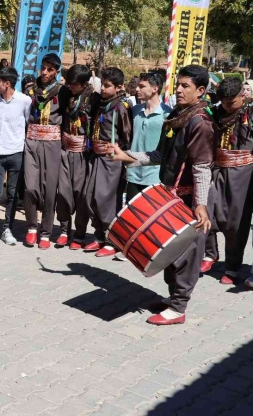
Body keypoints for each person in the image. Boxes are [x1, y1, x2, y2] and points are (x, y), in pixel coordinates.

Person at [108, 65, 214, 325]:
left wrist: (200, 204)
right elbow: (159, 156)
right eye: (177, 84)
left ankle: (178, 307)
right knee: (169, 251)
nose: (178, 89)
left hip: (189, 198)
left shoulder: (200, 122)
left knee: (186, 253)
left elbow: (202, 167)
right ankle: (171, 299)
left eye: (185, 86)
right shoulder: (179, 115)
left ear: (200, 91)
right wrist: (127, 156)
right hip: (171, 193)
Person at [203, 78, 253, 285]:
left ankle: (232, 267)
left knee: (237, 221)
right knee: (205, 210)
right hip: (216, 168)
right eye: (223, 102)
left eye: (231, 102)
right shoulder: (214, 112)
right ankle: (210, 254)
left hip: (243, 173)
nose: (227, 106)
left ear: (242, 96)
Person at [85, 68, 133, 257]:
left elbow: (127, 136)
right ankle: (98, 235)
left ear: (119, 87)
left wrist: (122, 156)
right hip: (95, 157)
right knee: (91, 197)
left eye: (107, 86)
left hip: (111, 160)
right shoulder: (101, 103)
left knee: (107, 199)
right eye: (102, 84)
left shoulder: (121, 107)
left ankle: (112, 240)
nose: (103, 89)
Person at [0, 67, 30, 246]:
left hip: (16, 152)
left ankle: (7, 229)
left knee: (11, 194)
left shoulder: (24, 101)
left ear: (7, 83)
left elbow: (27, 123)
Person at [23, 53, 64, 249]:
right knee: (30, 186)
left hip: (53, 143)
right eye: (44, 68)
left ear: (57, 72)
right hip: (31, 141)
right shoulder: (30, 89)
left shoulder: (62, 91)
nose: (45, 72)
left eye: (50, 69)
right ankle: (32, 226)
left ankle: (46, 231)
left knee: (49, 189)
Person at [55, 65, 96, 249]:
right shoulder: (65, 94)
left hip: (83, 154)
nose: (70, 87)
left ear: (85, 84)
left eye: (74, 84)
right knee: (63, 192)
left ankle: (79, 234)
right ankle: (64, 230)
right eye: (69, 83)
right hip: (65, 149)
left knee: (81, 195)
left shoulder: (93, 99)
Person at [126, 73, 171, 202]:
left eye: (142, 86)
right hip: (133, 174)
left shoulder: (167, 115)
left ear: (155, 88)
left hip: (155, 177)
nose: (137, 89)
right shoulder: (134, 111)